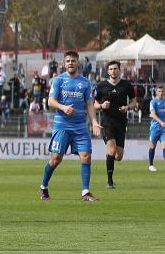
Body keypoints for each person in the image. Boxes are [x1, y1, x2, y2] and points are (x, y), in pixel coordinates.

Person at [38, 51, 101, 201]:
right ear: (64, 63)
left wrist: (94, 122)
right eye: (68, 61)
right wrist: (63, 107)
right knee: (56, 159)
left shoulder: (85, 82)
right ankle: (43, 186)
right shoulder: (58, 80)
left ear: (78, 63)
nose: (70, 63)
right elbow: (50, 101)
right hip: (62, 125)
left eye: (73, 60)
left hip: (80, 126)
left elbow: (89, 104)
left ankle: (85, 192)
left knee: (86, 156)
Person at [93, 61, 136, 188]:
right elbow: (93, 104)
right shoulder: (101, 86)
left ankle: (109, 157)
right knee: (111, 150)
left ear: (119, 70)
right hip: (108, 122)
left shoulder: (126, 85)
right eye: (111, 69)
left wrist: (127, 107)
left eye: (115, 69)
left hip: (121, 123)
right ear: (108, 71)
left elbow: (134, 102)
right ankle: (109, 182)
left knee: (118, 156)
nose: (113, 71)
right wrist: (101, 105)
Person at [149, 86, 165, 172]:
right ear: (156, 92)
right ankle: (151, 165)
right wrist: (161, 122)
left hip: (164, 129)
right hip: (155, 127)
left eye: (162, 91)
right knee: (152, 146)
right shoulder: (153, 102)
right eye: (159, 91)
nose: (161, 93)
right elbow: (153, 114)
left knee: (164, 146)